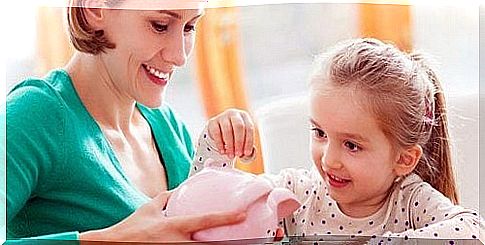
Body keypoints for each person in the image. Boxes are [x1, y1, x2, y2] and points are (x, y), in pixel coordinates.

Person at [2, 0, 256, 243]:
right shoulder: (35, 114)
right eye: (160, 25)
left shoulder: (168, 126)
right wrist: (113, 240)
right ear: (94, 9)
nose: (179, 56)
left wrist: (219, 160)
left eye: (189, 27)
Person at [193, 38, 484, 242]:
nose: (329, 159)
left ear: (403, 159)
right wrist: (214, 147)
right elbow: (200, 216)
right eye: (320, 133)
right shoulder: (298, 192)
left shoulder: (410, 202)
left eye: (352, 145)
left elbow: (474, 232)